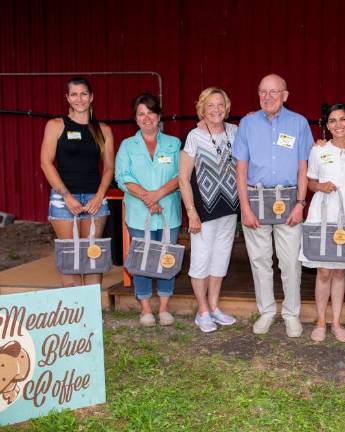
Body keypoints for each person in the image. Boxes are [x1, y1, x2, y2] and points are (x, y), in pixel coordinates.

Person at [233, 73, 313, 337]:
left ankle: (291, 314)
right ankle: (267, 311)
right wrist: (244, 207)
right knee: (259, 260)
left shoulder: (299, 123)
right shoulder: (247, 124)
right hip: (255, 198)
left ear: (285, 95)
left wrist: (301, 203)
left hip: (289, 199)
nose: (267, 97)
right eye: (262, 92)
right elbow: (241, 170)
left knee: (290, 263)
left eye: (274, 92)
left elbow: (304, 167)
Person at [299, 104, 345, 342]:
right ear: (327, 126)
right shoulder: (318, 150)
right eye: (332, 121)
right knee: (324, 271)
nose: (338, 125)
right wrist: (321, 186)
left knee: (339, 271)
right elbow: (310, 182)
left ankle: (336, 323)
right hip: (322, 216)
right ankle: (320, 321)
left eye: (342, 120)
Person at [40, 76, 115, 287]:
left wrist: (100, 196)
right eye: (74, 94)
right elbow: (46, 163)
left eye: (83, 94)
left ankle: (91, 312)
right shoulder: (55, 125)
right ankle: (75, 312)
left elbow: (109, 167)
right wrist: (67, 196)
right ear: (67, 98)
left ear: (91, 97)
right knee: (70, 259)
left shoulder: (104, 130)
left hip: (95, 198)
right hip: (64, 199)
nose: (79, 99)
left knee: (92, 257)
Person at [115, 93, 182, 327]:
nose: (146, 118)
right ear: (135, 118)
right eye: (141, 113)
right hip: (138, 212)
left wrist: (158, 195)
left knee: (166, 258)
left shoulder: (173, 144)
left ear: (159, 115)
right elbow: (123, 177)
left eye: (150, 112)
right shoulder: (127, 146)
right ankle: (145, 309)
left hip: (168, 212)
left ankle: (163, 308)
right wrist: (147, 197)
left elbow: (180, 175)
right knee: (140, 259)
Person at [179, 87, 239, 333]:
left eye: (220, 105)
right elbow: (183, 178)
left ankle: (214, 307)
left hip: (230, 207)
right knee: (201, 260)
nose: (216, 110)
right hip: (204, 209)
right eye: (210, 105)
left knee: (220, 258)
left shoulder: (235, 131)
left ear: (227, 107)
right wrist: (191, 211)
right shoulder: (193, 136)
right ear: (202, 108)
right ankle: (202, 310)